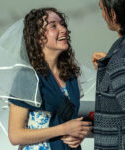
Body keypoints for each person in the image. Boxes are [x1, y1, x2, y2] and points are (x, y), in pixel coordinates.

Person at [8, 8, 92, 150]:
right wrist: (64, 129)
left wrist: (78, 135)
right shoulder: (27, 77)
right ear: (38, 36)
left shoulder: (70, 75)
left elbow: (71, 121)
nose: (63, 29)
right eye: (53, 26)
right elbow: (15, 135)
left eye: (63, 24)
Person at [92, 0, 125, 149]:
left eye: (102, 9)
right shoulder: (118, 54)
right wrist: (108, 65)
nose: (102, 15)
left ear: (113, 14)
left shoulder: (120, 61)